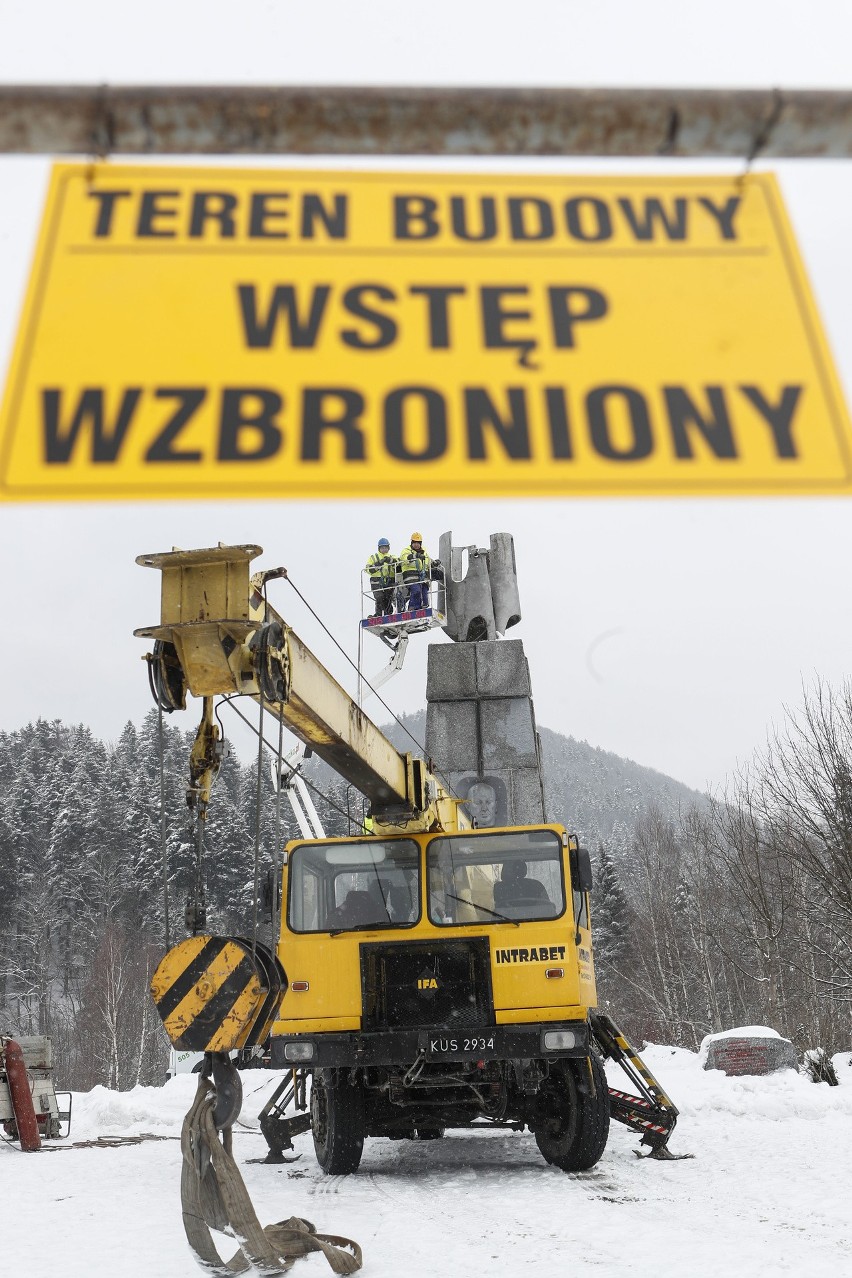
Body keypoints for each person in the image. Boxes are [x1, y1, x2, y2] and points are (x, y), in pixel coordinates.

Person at [365, 537, 396, 617]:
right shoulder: (373, 557)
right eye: (382, 547)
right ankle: (379, 614)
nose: (384, 549)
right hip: (376, 580)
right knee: (379, 597)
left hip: (389, 580)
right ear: (379, 548)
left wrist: (391, 561)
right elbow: (368, 569)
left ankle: (388, 613)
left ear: (388, 548)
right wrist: (378, 564)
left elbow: (398, 565)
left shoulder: (392, 557)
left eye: (386, 547)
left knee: (388, 598)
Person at [399, 532, 431, 609]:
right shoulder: (406, 550)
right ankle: (412, 607)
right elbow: (405, 559)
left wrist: (435, 563)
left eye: (418, 543)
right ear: (411, 543)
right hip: (410, 575)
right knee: (416, 590)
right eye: (414, 542)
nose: (416, 544)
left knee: (424, 593)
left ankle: (422, 607)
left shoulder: (424, 552)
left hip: (422, 576)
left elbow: (428, 562)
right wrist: (415, 556)